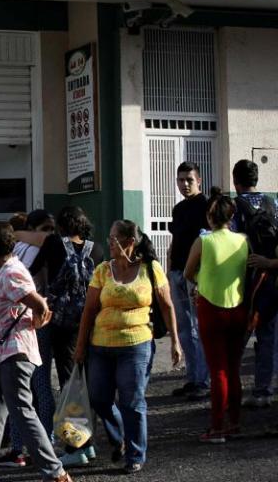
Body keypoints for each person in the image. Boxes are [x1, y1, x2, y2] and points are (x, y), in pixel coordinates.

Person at [0, 223, 73, 482]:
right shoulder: (2, 272)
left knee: (22, 413)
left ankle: (56, 472)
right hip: (0, 355)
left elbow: (38, 302)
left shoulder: (12, 272)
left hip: (14, 354)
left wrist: (38, 319)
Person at [75, 220, 182, 475]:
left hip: (136, 345)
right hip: (100, 345)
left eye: (114, 239)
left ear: (129, 242)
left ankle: (135, 454)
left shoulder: (150, 269)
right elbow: (89, 311)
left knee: (132, 401)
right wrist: (80, 347)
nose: (110, 243)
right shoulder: (102, 270)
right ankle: (120, 436)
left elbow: (167, 306)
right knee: (99, 398)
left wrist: (175, 341)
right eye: (110, 238)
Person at [29, 206, 104, 466]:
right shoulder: (96, 249)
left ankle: (76, 448)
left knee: (69, 385)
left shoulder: (53, 244)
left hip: (62, 323)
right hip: (89, 322)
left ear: (61, 226)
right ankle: (88, 444)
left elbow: (32, 269)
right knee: (83, 382)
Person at [184, 188, 249, 443]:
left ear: (210, 216)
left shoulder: (205, 241)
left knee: (218, 370)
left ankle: (217, 427)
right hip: (239, 307)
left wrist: (201, 280)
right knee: (233, 369)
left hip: (211, 308)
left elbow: (188, 271)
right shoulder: (243, 241)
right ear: (231, 216)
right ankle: (234, 423)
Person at [0, 208, 55, 470]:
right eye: (45, 228)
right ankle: (40, 446)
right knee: (35, 390)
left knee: (24, 394)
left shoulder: (15, 251)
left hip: (20, 325)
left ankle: (24, 448)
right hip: (33, 323)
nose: (50, 234)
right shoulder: (32, 249)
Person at [231, 159, 278, 408]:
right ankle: (263, 391)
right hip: (271, 281)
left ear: (235, 180)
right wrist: (270, 263)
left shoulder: (235, 207)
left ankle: (231, 391)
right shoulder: (274, 203)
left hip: (245, 283)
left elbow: (232, 244)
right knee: (268, 338)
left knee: (237, 339)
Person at [167, 162, 211, 400]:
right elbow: (175, 241)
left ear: (199, 181)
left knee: (199, 328)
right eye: (181, 180)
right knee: (185, 329)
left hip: (197, 276)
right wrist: (169, 268)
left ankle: (202, 380)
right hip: (177, 273)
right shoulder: (178, 209)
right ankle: (193, 378)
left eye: (189, 180)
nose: (184, 184)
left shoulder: (206, 207)